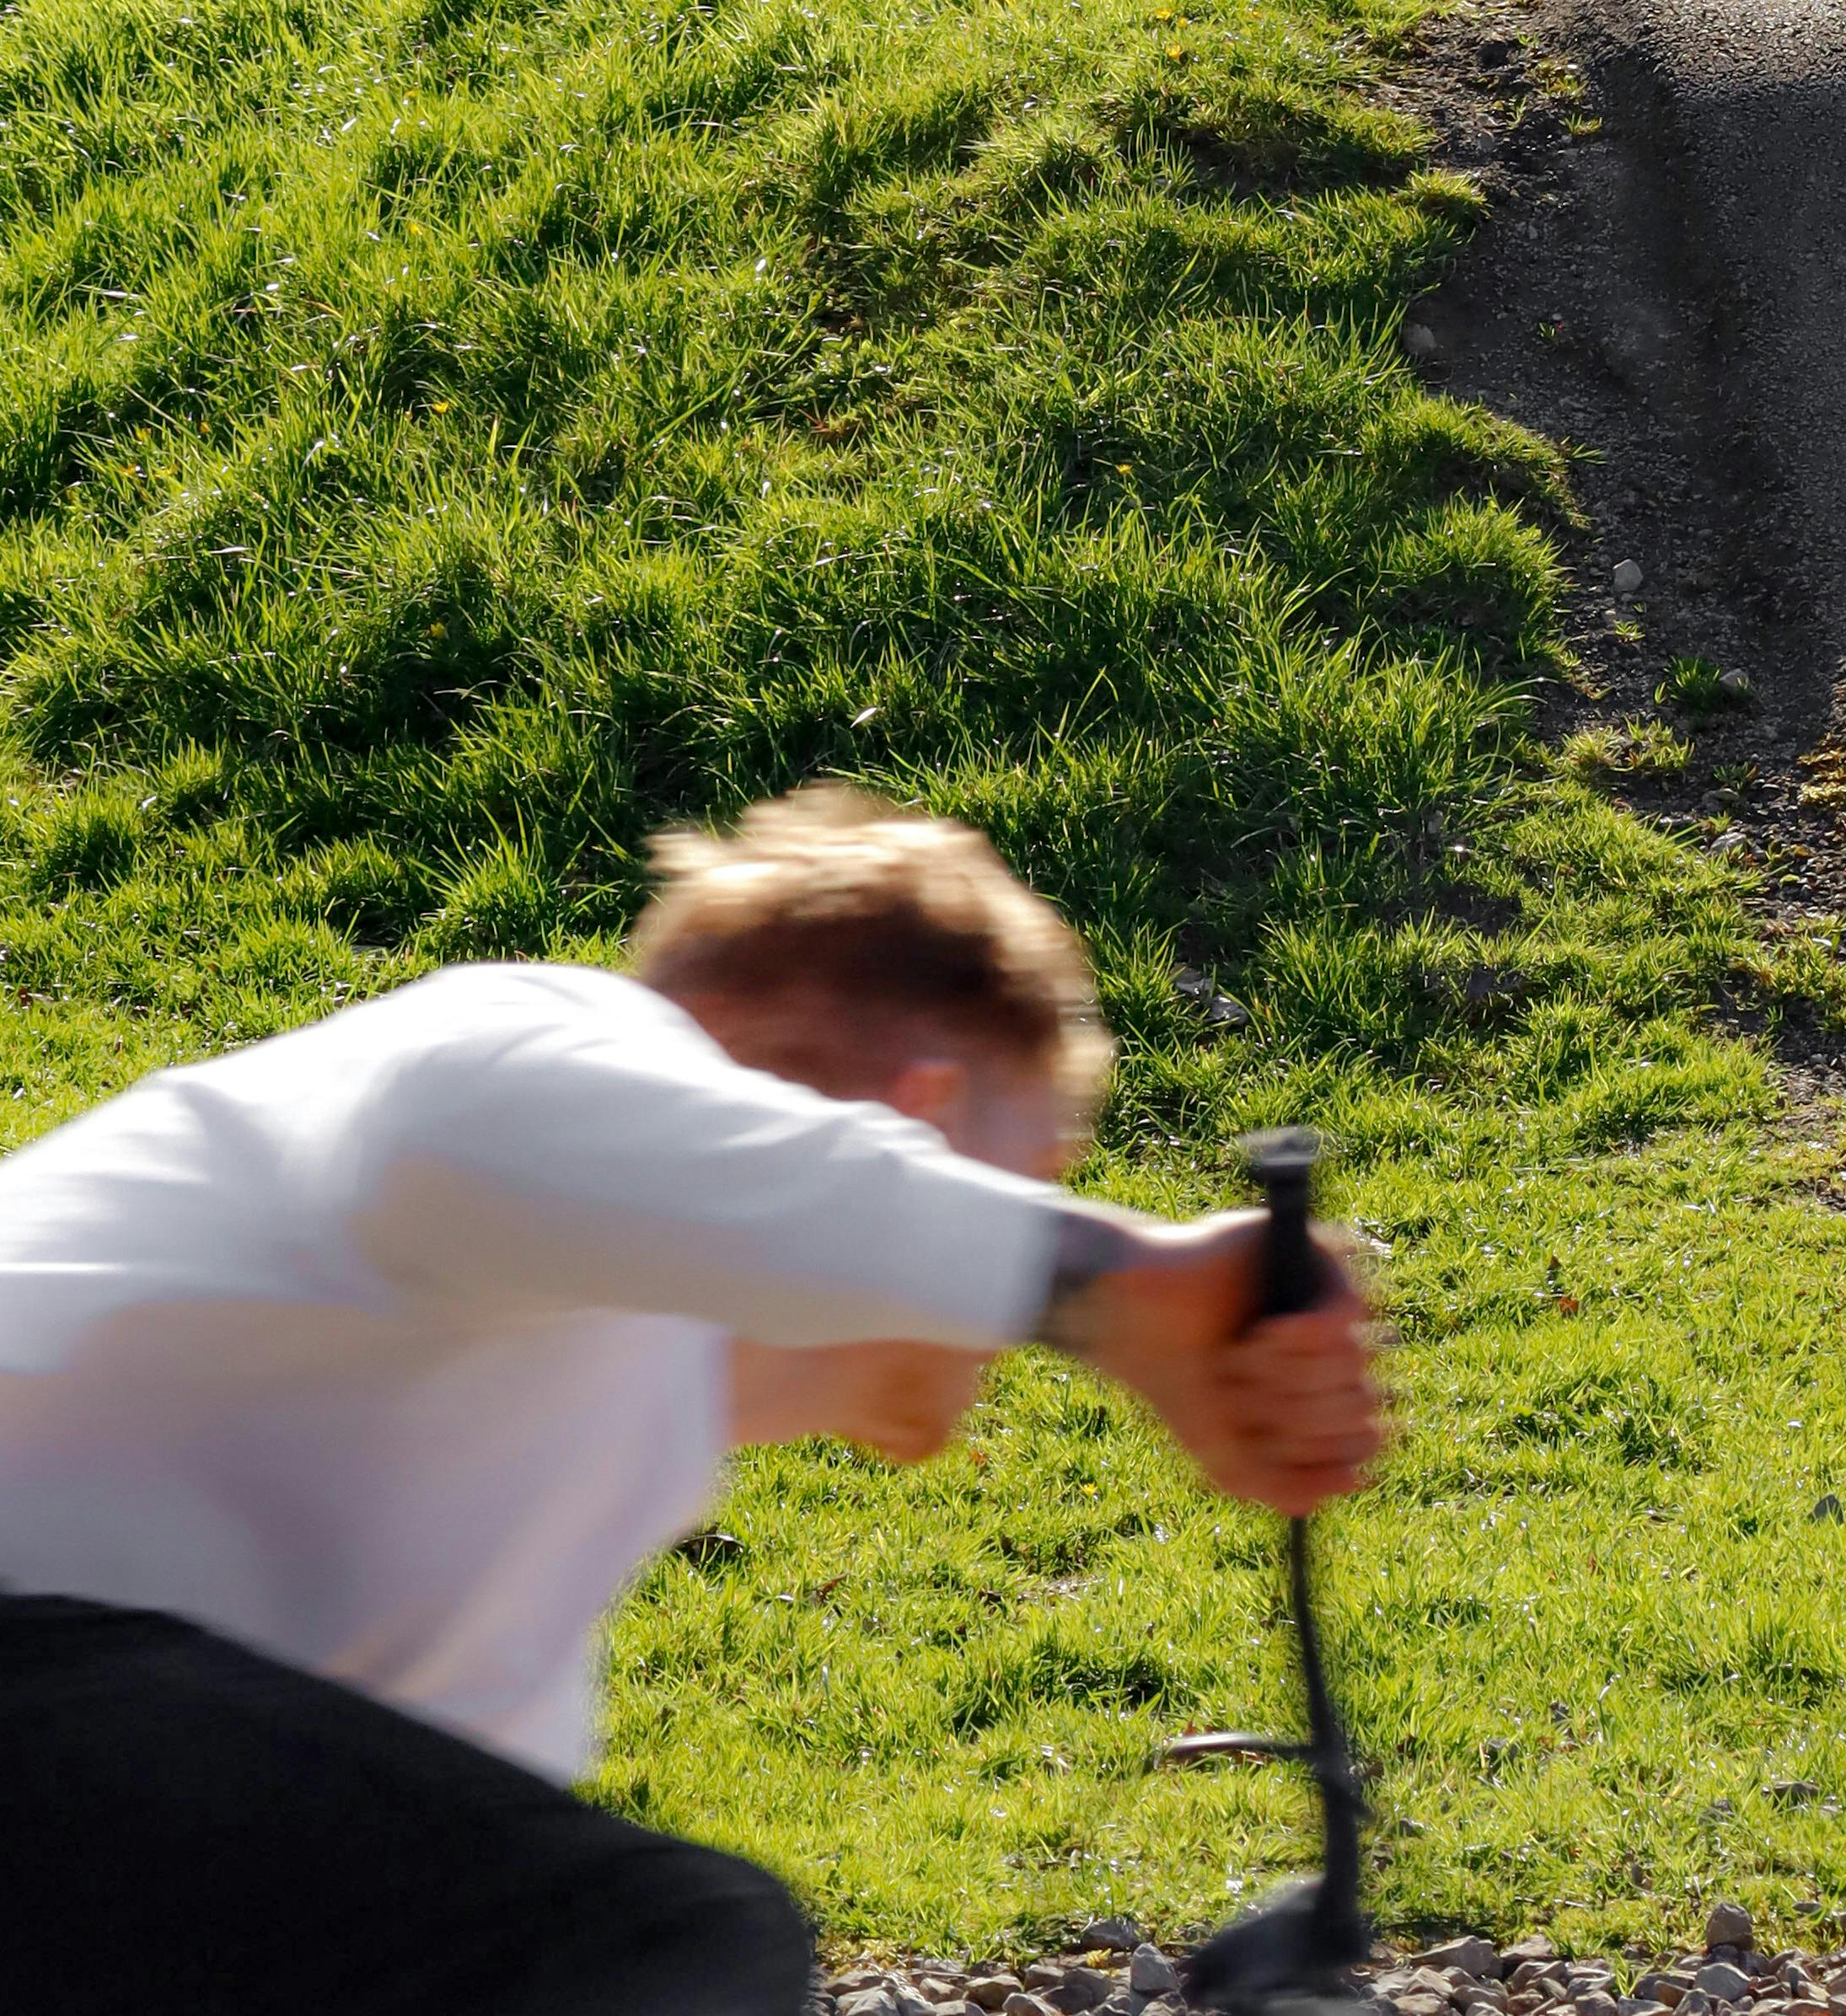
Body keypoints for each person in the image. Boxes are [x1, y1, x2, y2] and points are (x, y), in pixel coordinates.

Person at [0, 785, 1384, 2016]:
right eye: (1040, 1162)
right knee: (676, 1933)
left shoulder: (556, 1545)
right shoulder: (538, 1034)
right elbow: (492, 1127)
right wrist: (1098, 1275)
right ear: (918, 1122)